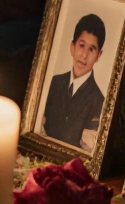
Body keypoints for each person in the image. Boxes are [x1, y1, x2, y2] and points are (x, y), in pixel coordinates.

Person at [41, 13, 106, 151]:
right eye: (81, 45)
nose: (84, 55)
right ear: (72, 47)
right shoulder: (53, 83)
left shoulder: (99, 102)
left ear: (98, 55)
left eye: (92, 49)